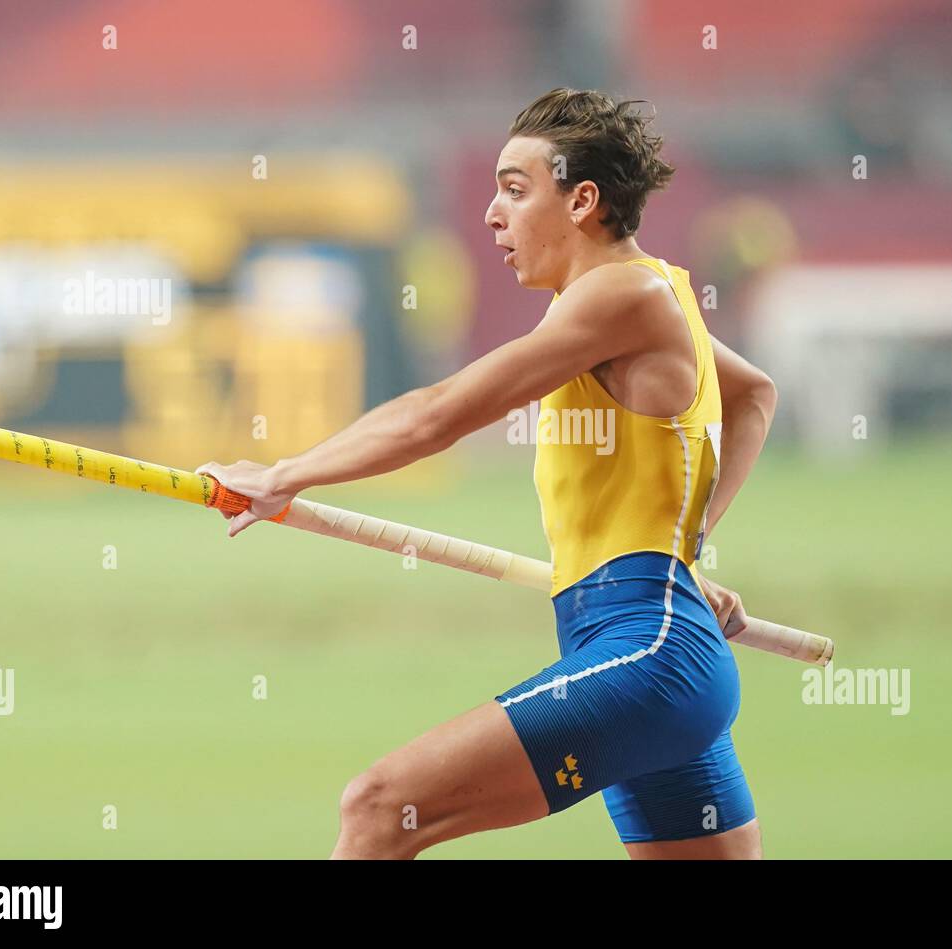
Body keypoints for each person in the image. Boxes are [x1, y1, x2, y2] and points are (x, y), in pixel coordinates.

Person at [196, 88, 779, 859]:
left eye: (515, 189)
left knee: (379, 806)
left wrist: (287, 475)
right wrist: (683, 549)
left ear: (583, 201)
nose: (491, 215)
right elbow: (752, 395)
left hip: (648, 654)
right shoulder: (641, 297)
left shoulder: (622, 294)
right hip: (651, 650)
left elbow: (438, 414)